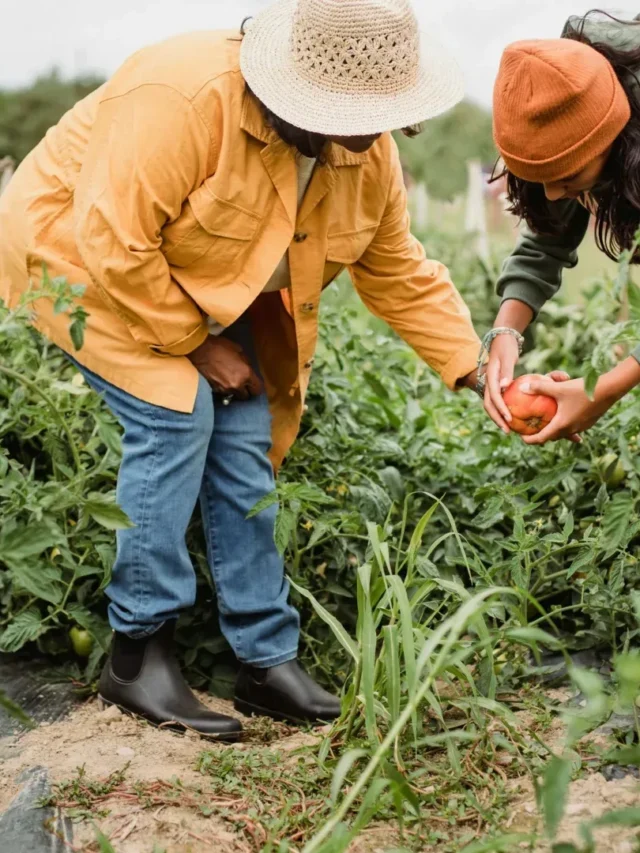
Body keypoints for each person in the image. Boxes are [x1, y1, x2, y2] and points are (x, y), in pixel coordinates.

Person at [0, 0, 483, 740]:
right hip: (74, 257)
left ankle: (264, 659)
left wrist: (478, 371)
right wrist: (197, 344)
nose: (378, 134)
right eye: (360, 115)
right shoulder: (184, 98)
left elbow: (398, 271)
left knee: (245, 431)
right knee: (175, 410)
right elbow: (115, 242)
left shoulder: (364, 152)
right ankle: (137, 651)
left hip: (196, 278)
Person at [485, 11, 640, 445]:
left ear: (616, 140)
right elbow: (548, 233)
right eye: (540, 177)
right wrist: (506, 329)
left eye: (568, 175)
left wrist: (605, 387)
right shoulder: (556, 90)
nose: (553, 194)